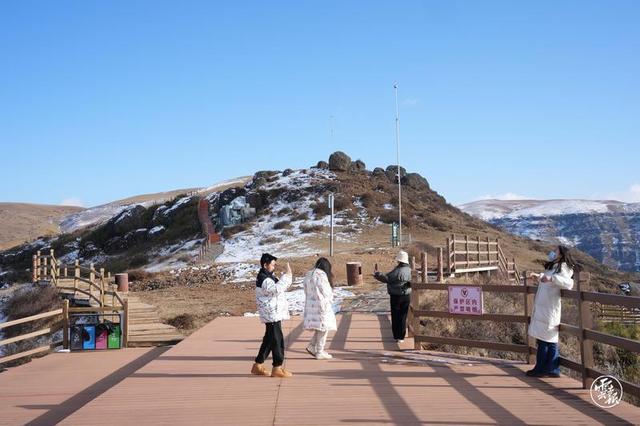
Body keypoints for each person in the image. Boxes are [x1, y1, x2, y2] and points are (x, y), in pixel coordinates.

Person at [526, 245, 576, 378]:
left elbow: (568, 283)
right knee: (547, 339)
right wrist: (539, 276)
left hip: (549, 308)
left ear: (561, 254)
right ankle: (552, 369)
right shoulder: (555, 266)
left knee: (546, 339)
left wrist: (552, 279)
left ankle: (541, 369)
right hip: (545, 307)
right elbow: (548, 278)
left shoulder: (563, 267)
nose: (552, 252)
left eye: (555, 251)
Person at [251, 253, 294, 378]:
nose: (274, 267)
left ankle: (258, 365)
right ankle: (277, 367)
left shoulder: (268, 276)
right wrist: (287, 275)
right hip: (271, 313)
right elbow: (275, 290)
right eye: (273, 265)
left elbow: (281, 287)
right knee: (277, 339)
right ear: (265, 265)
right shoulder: (264, 278)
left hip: (273, 312)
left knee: (269, 339)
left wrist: (287, 276)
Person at [373, 250, 412, 343]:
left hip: (396, 296)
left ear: (399, 260)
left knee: (395, 316)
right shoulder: (410, 270)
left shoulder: (397, 270)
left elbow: (387, 278)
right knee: (403, 316)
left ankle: (396, 336)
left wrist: (377, 274)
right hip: (407, 295)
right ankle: (401, 337)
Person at [303, 257, 338, 360]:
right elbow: (326, 291)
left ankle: (312, 346)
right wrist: (330, 299)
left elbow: (305, 290)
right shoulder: (321, 275)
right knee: (324, 328)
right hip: (322, 306)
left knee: (320, 328)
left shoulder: (309, 274)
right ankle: (320, 351)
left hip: (311, 305)